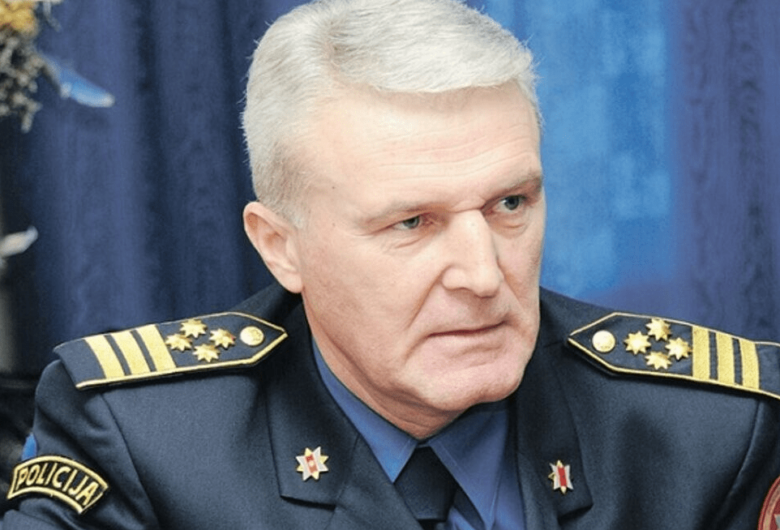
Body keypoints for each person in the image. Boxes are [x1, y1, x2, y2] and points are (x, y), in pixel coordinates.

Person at [4, 0, 780, 528]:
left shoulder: (711, 431)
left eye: (510, 203)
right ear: (281, 247)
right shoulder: (143, 442)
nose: (484, 275)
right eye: (412, 222)